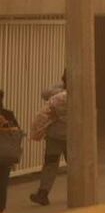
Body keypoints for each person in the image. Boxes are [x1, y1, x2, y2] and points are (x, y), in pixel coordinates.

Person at [29, 73, 67, 206]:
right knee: (75, 166)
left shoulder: (56, 96)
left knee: (50, 164)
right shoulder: (80, 95)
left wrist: (62, 84)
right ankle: (79, 192)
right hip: (74, 138)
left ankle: (43, 193)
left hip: (55, 136)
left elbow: (45, 93)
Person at [0, 89, 20, 213]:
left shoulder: (6, 115)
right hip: (4, 154)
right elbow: (16, 132)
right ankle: (1, 210)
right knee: (2, 183)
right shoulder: (8, 114)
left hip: (3, 154)